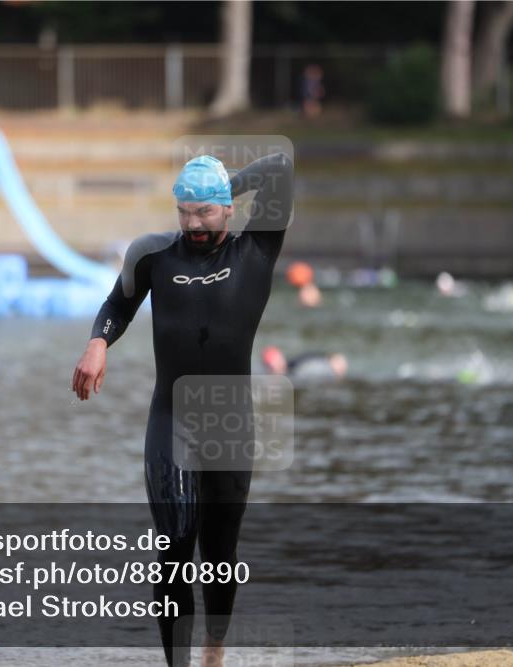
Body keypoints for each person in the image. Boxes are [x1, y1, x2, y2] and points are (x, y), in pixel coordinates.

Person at [71, 151, 293, 667]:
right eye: (184, 211)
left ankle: (213, 653)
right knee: (173, 555)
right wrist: (98, 343)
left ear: (228, 210)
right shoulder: (154, 255)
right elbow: (117, 304)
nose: (193, 224)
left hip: (229, 425)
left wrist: (220, 182)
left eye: (205, 211)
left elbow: (281, 167)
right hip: (171, 421)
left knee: (218, 557)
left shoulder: (257, 250)